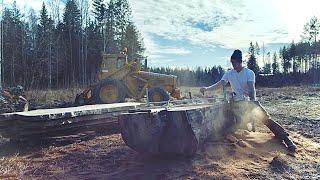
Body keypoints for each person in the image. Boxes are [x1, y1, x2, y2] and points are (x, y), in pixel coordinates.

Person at [200, 49, 296, 152]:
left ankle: (286, 138)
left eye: (235, 62)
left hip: (248, 102)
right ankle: (228, 142)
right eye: (232, 62)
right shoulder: (229, 74)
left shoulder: (249, 73)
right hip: (236, 104)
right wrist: (206, 89)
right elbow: (220, 84)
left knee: (265, 118)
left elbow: (251, 88)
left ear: (240, 62)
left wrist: (253, 100)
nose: (233, 65)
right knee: (227, 120)